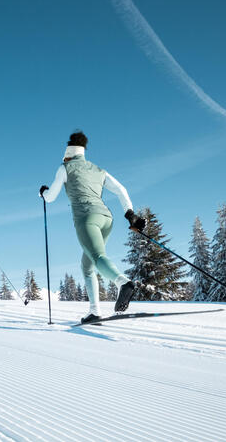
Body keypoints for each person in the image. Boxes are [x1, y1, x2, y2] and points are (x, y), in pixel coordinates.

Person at [40, 131, 145, 324]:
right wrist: (130, 214)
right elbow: (122, 190)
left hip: (86, 218)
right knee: (87, 265)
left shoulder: (65, 168)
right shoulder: (97, 169)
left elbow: (51, 197)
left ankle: (124, 283)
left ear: (68, 154)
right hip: (106, 218)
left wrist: (43, 193)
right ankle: (94, 311)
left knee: (97, 257)